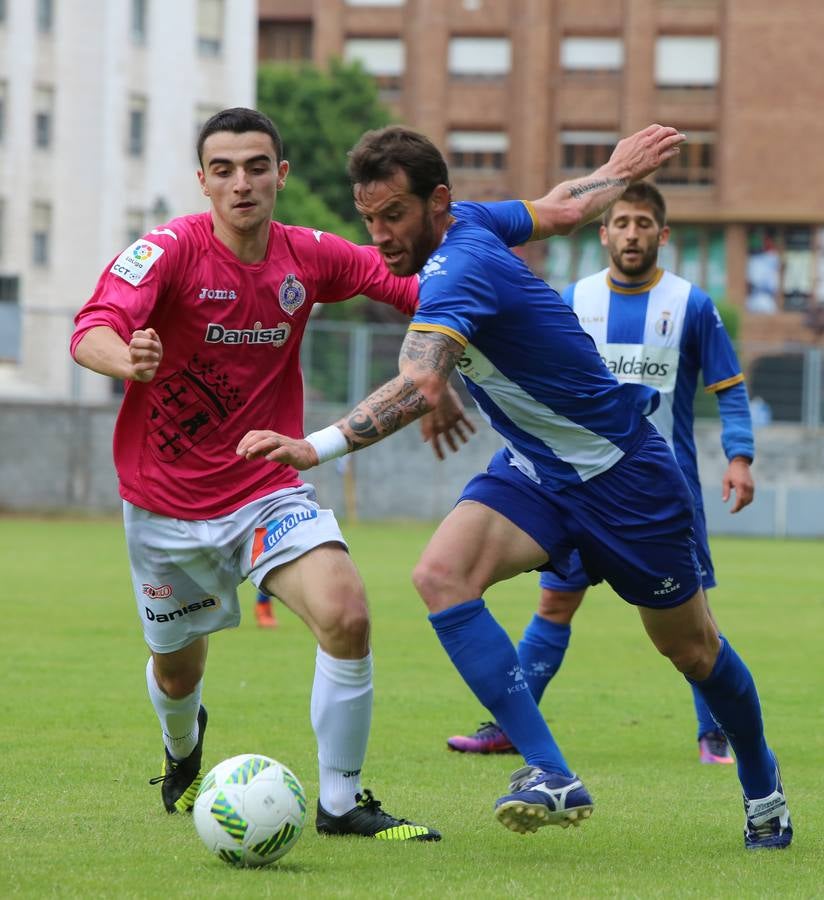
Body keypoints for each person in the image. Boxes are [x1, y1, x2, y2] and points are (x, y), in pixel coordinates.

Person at [236, 124, 792, 850]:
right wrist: (616, 170)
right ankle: (551, 772)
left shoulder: (458, 265)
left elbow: (418, 380)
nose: (380, 236)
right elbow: (561, 209)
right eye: (368, 218)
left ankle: (764, 789)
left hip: (625, 477)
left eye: (394, 216)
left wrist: (317, 445)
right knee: (441, 576)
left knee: (693, 650)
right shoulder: (470, 220)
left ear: (438, 202)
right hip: (538, 469)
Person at [70, 107, 445, 841]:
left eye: (256, 166)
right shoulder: (168, 250)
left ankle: (341, 803)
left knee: (346, 614)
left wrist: (450, 346)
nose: (241, 182)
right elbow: (91, 329)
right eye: (224, 169)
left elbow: (415, 286)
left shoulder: (308, 255)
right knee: (177, 674)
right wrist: (128, 360)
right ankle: (183, 748)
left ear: (281, 174)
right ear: (203, 180)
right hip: (165, 505)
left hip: (265, 488)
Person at [447, 181, 754, 766]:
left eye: (644, 224)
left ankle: (714, 734)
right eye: (622, 223)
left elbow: (730, 389)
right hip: (573, 485)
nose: (632, 234)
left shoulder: (691, 304)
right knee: (554, 605)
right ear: (604, 233)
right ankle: (509, 727)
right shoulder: (573, 297)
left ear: (662, 235)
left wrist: (739, 456)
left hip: (659, 490)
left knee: (694, 622)